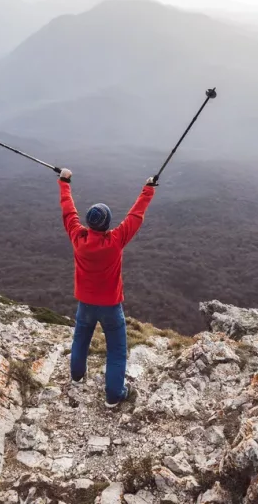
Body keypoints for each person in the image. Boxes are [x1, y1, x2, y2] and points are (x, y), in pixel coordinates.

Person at [57, 167, 157, 407]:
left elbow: (68, 211)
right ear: (107, 224)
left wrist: (64, 182)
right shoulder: (115, 241)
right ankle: (114, 396)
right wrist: (148, 189)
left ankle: (77, 377)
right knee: (116, 351)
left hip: (85, 304)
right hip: (111, 306)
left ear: (90, 224)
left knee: (81, 339)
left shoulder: (78, 238)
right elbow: (135, 216)